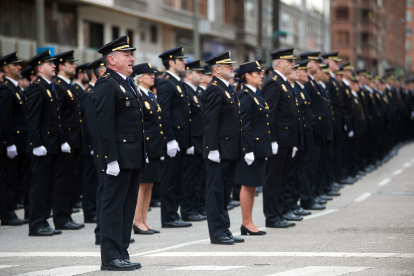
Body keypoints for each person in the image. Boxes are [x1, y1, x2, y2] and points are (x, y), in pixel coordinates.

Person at [93, 36, 144, 271]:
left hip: (132, 155)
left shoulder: (127, 82)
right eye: (127, 55)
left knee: (127, 205)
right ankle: (111, 256)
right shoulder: (106, 84)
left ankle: (122, 252)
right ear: (111, 60)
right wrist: (110, 158)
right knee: (113, 205)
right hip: (118, 157)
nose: (132, 59)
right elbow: (104, 125)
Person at [202, 50, 244, 245]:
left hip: (229, 149)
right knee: (215, 191)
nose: (232, 68)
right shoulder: (214, 89)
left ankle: (225, 229)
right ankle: (217, 232)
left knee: (225, 191)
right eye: (228, 66)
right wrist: (212, 148)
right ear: (217, 70)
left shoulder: (226, 88)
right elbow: (210, 121)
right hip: (219, 150)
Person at [25, 50, 62, 236]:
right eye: (50, 64)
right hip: (42, 147)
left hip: (51, 145)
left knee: (48, 185)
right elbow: (32, 120)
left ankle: (44, 221)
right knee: (39, 186)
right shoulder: (36, 87)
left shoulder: (49, 86)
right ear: (40, 68)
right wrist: (37, 144)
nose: (54, 66)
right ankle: (36, 224)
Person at [262, 48, 298, 228]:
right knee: (274, 179)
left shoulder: (284, 82)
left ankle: (280, 212)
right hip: (279, 140)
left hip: (287, 140)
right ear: (278, 63)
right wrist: (272, 140)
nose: (293, 64)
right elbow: (269, 114)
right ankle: (272, 216)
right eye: (289, 61)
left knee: (282, 179)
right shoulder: (273, 82)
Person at [157, 47, 192, 228]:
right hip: (173, 140)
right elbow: (164, 113)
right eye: (181, 60)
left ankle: (174, 213)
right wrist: (169, 139)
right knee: (170, 179)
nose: (184, 63)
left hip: (182, 139)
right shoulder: (166, 83)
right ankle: (169, 216)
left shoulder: (178, 83)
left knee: (178, 179)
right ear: (171, 62)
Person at [234, 61, 271, 235]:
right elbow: (244, 125)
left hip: (259, 146)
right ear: (247, 76)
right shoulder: (245, 95)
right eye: (257, 73)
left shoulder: (257, 94)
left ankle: (248, 222)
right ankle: (246, 222)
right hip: (251, 147)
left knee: (253, 186)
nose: (261, 75)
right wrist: (247, 149)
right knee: (247, 185)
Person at [52, 51, 85, 230]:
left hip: (75, 141)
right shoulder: (58, 86)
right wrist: (63, 140)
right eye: (70, 64)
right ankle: (61, 218)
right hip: (66, 142)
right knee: (62, 180)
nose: (74, 66)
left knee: (71, 179)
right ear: (62, 66)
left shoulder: (68, 85)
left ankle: (67, 214)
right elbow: (57, 117)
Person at [131, 63, 163, 235]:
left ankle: (144, 220)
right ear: (139, 78)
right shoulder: (138, 95)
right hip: (145, 146)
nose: (153, 77)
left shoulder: (150, 95)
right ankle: (137, 221)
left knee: (149, 183)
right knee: (141, 184)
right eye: (149, 74)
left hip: (154, 146)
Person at [0, 52, 28, 226]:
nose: (19, 67)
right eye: (15, 65)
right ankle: (7, 213)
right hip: (10, 144)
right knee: (7, 179)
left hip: (19, 143)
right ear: (5, 68)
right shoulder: (5, 89)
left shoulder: (15, 88)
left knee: (14, 178)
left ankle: (10, 210)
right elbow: (4, 119)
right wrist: (9, 143)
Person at [180, 60, 207, 222]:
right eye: (199, 73)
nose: (202, 75)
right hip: (192, 142)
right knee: (189, 178)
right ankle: (188, 210)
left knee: (197, 177)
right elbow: (187, 119)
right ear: (189, 75)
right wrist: (189, 142)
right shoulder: (187, 92)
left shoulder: (195, 93)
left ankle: (195, 207)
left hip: (199, 141)